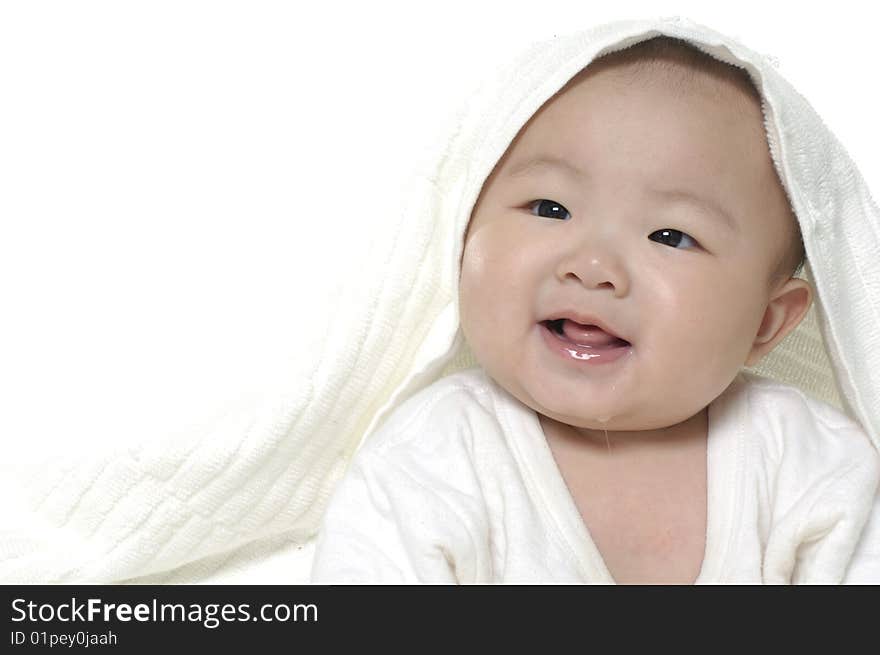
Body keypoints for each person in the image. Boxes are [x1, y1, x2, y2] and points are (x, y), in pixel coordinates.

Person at [310, 20, 880, 583]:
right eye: (549, 208)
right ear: (461, 237)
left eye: (671, 236)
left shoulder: (810, 466)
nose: (594, 267)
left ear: (766, 322)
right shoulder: (431, 462)